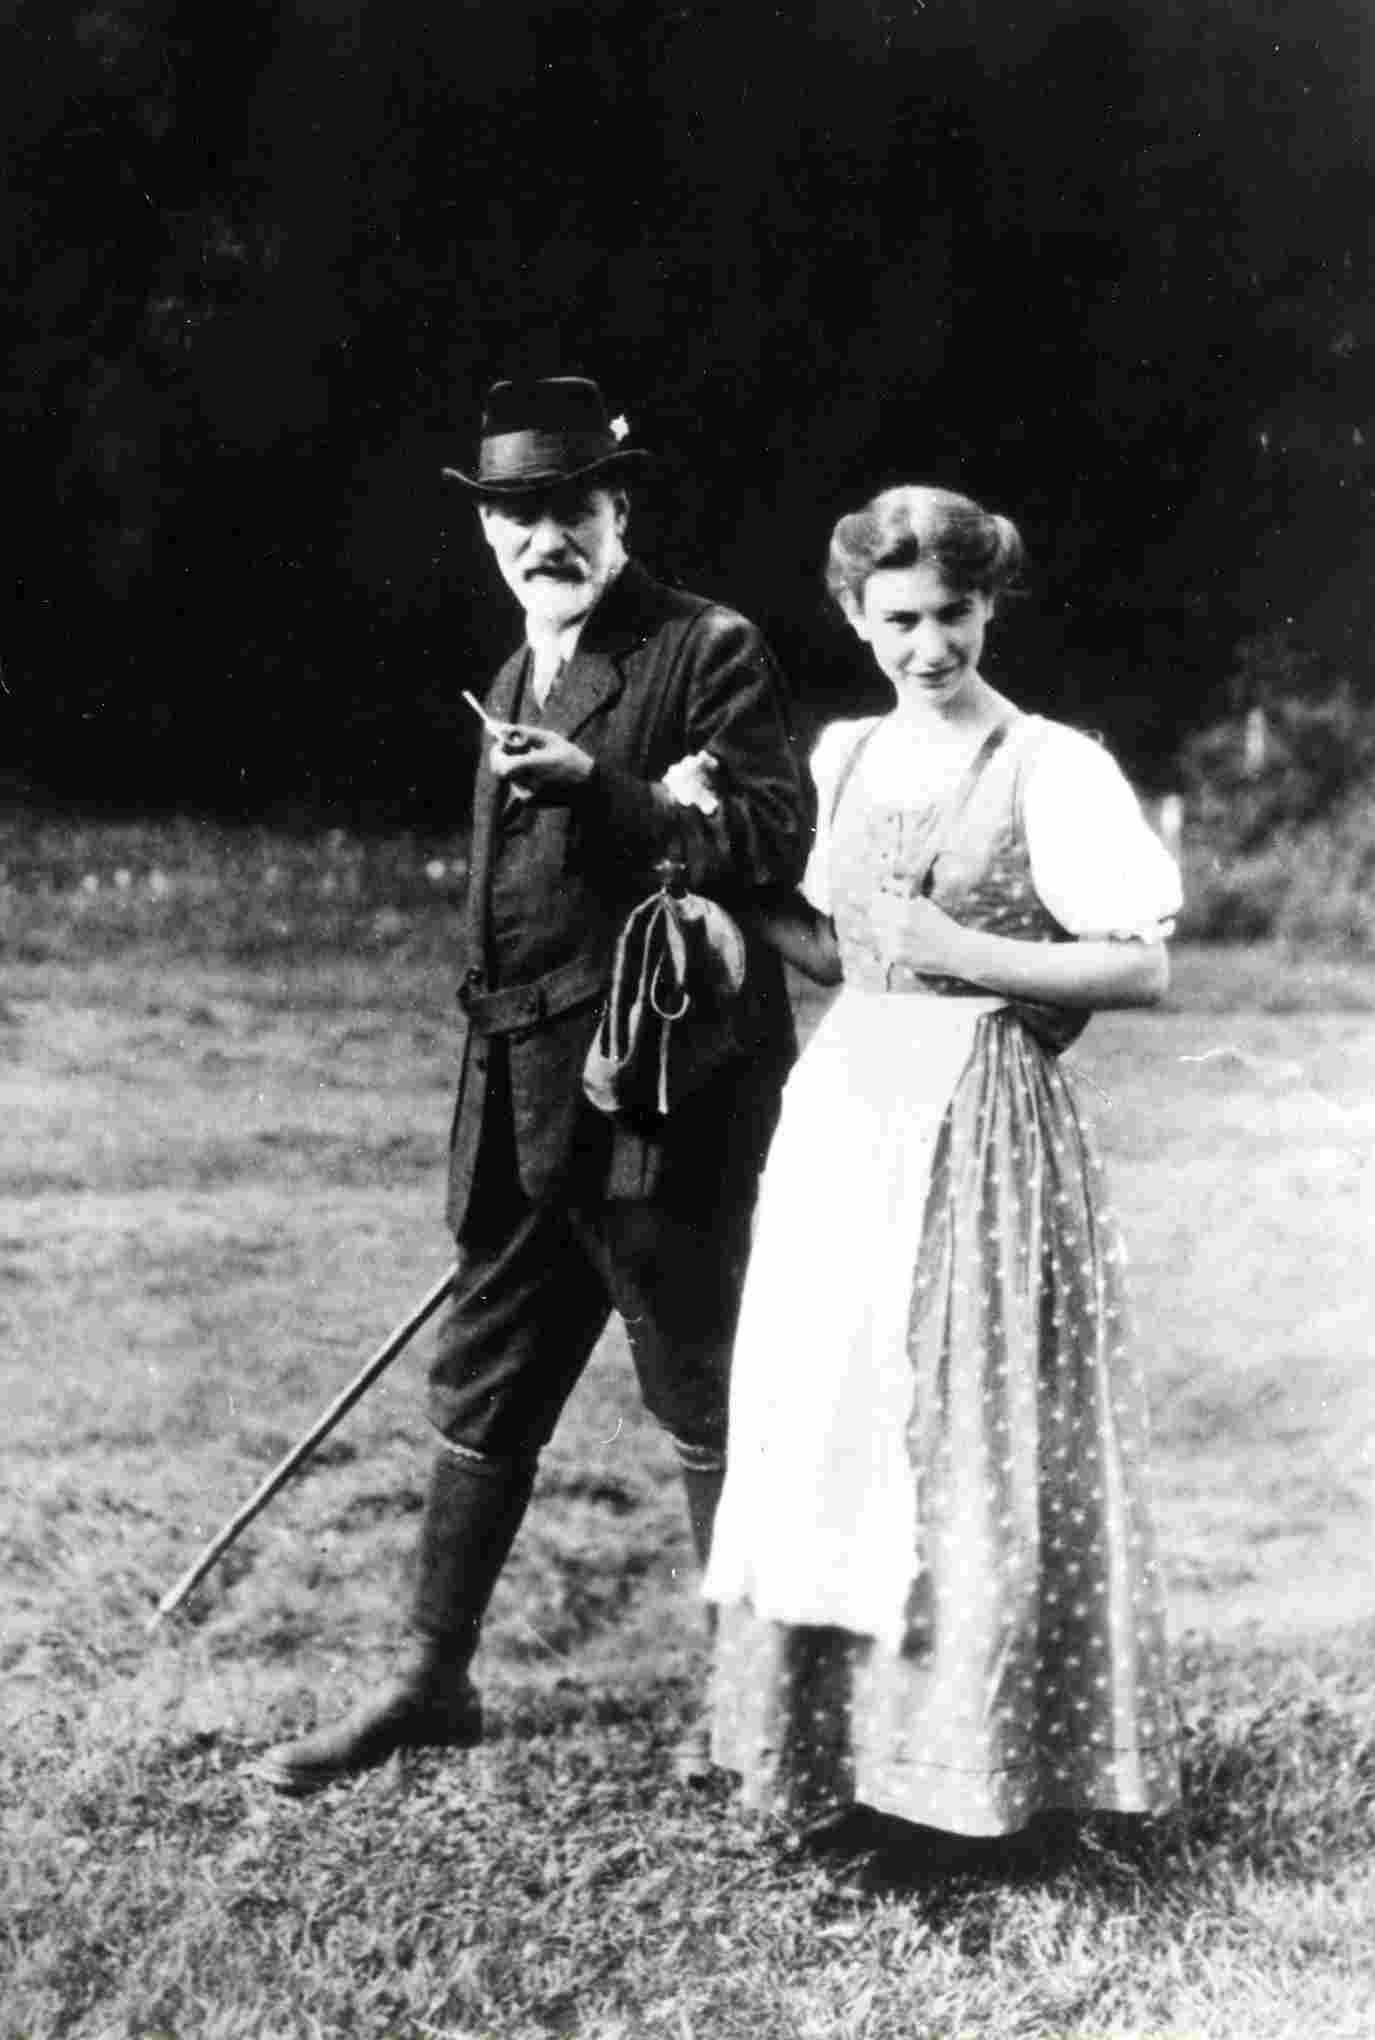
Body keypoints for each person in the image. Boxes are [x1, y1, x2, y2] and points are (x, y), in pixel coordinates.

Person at [257, 376, 809, 1795]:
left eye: (569, 506)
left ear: (618, 508)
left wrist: (609, 794)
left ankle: (750, 1708)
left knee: (698, 1386)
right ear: (488, 530)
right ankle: (427, 1681)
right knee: (482, 1384)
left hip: (656, 1103)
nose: (540, 537)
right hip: (515, 1103)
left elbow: (765, 835)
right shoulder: (515, 672)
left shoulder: (705, 650)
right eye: (514, 513)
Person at [703, 484, 1183, 1840]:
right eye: (900, 618)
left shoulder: (1052, 764)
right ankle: (833, 1766)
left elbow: (1138, 965)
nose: (931, 647)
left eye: (954, 615)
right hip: (847, 1109)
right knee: (830, 1418)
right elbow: (841, 952)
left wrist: (965, 955)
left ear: (988, 609)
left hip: (980, 1119)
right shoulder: (842, 759)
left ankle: (979, 1774)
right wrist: (708, 882)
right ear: (857, 621)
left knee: (961, 1426)